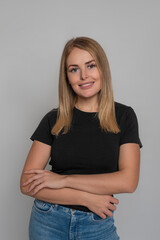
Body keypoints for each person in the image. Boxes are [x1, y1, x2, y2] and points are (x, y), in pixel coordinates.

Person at [20, 36, 143, 240]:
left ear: (102, 69)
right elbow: (26, 183)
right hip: (47, 220)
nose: (84, 76)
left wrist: (63, 180)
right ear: (67, 77)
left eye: (91, 66)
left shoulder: (123, 116)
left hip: (96, 223)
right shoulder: (53, 119)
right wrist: (85, 198)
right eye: (74, 69)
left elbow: (128, 181)